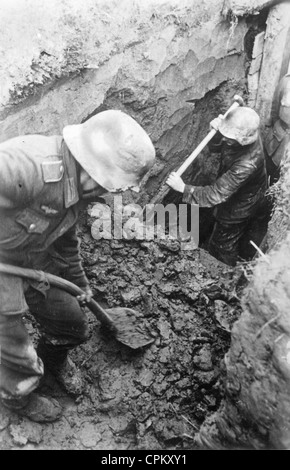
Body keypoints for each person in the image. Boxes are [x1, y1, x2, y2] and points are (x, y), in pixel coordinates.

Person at [0, 110, 155, 422]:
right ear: (92, 168)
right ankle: (18, 395)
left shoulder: (80, 187)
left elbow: (65, 240)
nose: (114, 192)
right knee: (13, 344)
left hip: (32, 258)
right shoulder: (25, 166)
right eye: (113, 185)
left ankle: (53, 362)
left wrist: (81, 286)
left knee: (72, 325)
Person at [166, 106, 268, 266]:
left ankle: (224, 274)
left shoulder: (248, 164)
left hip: (240, 207)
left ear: (243, 139)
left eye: (229, 137)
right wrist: (214, 132)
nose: (225, 140)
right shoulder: (242, 134)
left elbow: (216, 194)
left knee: (222, 244)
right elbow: (217, 146)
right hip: (235, 190)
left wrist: (183, 188)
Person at [264, 72, 290, 185]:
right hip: (282, 134)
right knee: (271, 169)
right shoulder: (286, 81)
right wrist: (277, 128)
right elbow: (275, 106)